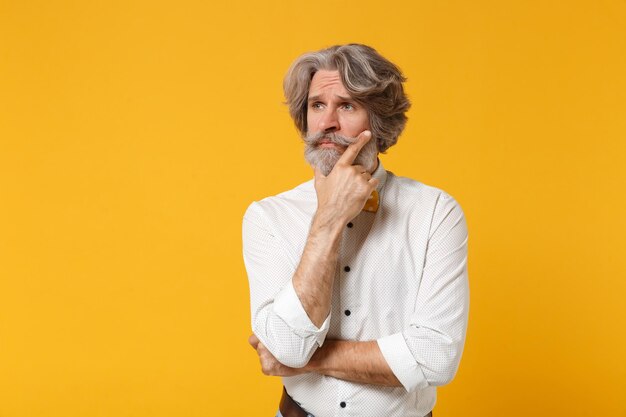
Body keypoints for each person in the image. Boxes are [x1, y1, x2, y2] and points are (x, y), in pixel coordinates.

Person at [242, 44, 469, 417]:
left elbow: (436, 357)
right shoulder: (267, 217)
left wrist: (305, 360)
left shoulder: (435, 212)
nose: (326, 122)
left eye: (346, 106)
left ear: (379, 121)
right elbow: (283, 345)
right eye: (317, 105)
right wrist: (329, 218)